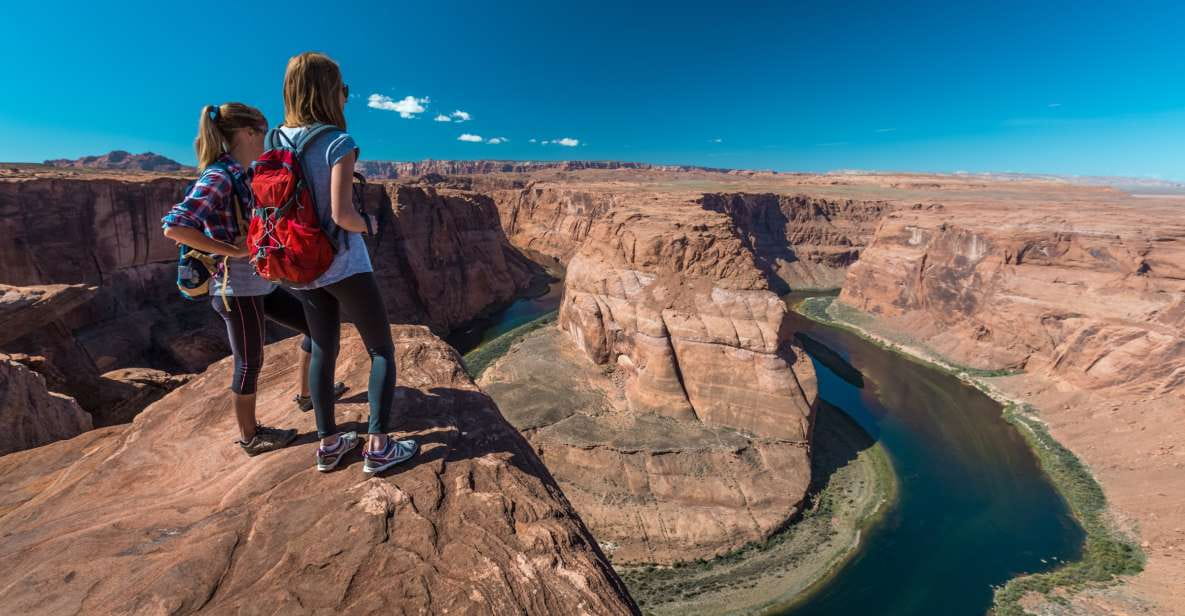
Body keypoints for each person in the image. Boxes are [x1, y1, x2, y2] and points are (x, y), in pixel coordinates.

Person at [161, 102, 341, 455]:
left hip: (260, 281)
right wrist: (231, 250)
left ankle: (307, 395)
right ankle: (250, 437)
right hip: (235, 287)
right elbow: (175, 227)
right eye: (265, 131)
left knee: (314, 326)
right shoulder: (219, 175)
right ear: (248, 133)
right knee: (250, 361)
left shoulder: (245, 171)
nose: (270, 138)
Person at [278, 52, 417, 474]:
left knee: (323, 347)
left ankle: (329, 444)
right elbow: (342, 215)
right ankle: (378, 446)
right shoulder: (338, 142)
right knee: (380, 350)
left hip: (298, 263)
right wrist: (370, 222)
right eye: (344, 88)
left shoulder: (274, 140)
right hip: (342, 264)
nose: (347, 95)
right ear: (331, 92)